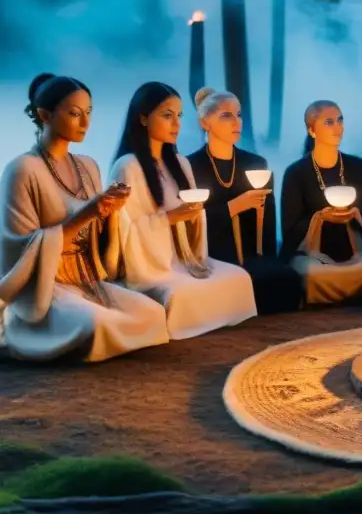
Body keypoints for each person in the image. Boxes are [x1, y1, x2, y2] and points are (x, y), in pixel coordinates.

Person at [0, 74, 169, 362]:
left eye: (88, 113)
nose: (85, 123)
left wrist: (111, 213)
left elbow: (98, 234)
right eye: (75, 113)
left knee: (153, 314)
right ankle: (34, 331)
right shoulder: (22, 170)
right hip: (46, 285)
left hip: (86, 277)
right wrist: (89, 212)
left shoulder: (88, 166)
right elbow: (22, 248)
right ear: (45, 115)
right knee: (97, 325)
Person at [110, 82, 257, 339]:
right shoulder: (128, 166)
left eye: (179, 116)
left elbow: (194, 216)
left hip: (184, 259)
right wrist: (169, 218)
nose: (176, 124)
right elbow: (125, 232)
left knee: (239, 278)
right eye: (167, 116)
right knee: (179, 295)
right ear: (143, 118)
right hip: (151, 266)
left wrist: (193, 215)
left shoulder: (180, 163)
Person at [187, 88, 304, 314]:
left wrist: (269, 259)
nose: (236, 122)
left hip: (251, 253)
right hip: (209, 251)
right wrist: (234, 207)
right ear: (204, 122)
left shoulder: (255, 163)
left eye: (239, 115)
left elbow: (267, 221)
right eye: (226, 115)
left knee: (284, 279)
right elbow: (189, 220)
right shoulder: (190, 166)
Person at [279, 99, 362, 305]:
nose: (337, 128)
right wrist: (320, 217)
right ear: (312, 130)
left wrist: (354, 215)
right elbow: (289, 229)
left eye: (340, 120)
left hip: (352, 251)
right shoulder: (296, 172)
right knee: (311, 275)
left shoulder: (357, 167)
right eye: (329, 122)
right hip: (312, 254)